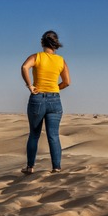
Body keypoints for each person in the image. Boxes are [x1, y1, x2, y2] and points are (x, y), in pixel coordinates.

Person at [21, 30, 71, 174]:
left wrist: (29, 85)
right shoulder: (61, 60)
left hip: (38, 98)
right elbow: (67, 82)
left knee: (34, 134)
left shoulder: (37, 57)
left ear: (42, 42)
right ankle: (56, 167)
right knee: (53, 135)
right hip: (55, 100)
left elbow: (24, 67)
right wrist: (55, 88)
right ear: (56, 44)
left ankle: (30, 167)